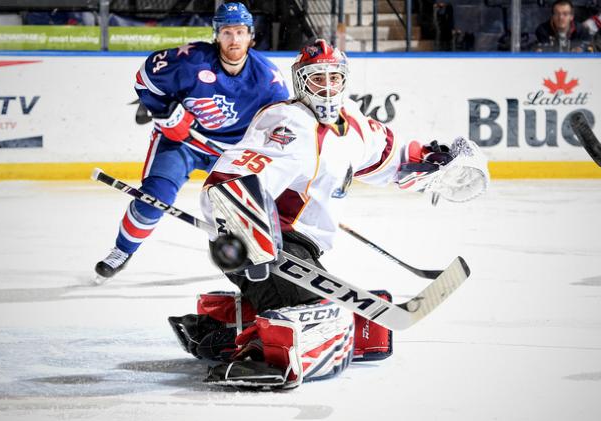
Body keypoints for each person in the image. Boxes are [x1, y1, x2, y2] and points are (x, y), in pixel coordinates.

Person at [168, 39, 490, 389]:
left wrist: (432, 161)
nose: (326, 86)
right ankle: (258, 356)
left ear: (344, 80)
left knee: (341, 319)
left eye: (333, 77)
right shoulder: (287, 124)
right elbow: (228, 181)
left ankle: (218, 330)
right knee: (323, 318)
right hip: (267, 249)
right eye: (316, 78)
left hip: (302, 250)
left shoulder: (353, 123)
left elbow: (389, 155)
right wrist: (240, 231)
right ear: (300, 81)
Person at [94, 2, 289, 283]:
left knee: (250, 209)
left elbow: (279, 125)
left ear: (251, 36)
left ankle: (264, 255)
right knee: (155, 198)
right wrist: (165, 112)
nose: (233, 39)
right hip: (184, 143)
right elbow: (145, 79)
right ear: (216, 35)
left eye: (240, 32)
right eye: (226, 32)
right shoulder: (190, 61)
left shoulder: (268, 81)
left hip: (232, 152)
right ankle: (121, 252)